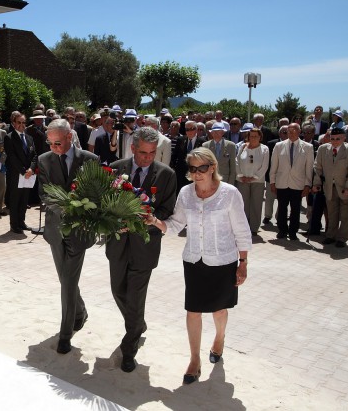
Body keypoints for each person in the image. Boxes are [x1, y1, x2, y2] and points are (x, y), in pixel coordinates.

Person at [147, 147, 251, 385]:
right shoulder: (185, 193)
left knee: (219, 310)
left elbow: (242, 230)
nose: (196, 174)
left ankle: (220, 338)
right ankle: (194, 359)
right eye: (192, 169)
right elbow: (175, 225)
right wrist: (155, 222)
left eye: (201, 168)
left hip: (223, 261)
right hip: (194, 260)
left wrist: (243, 263)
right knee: (193, 311)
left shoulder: (230, 193)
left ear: (212, 167)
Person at [106, 127, 177, 372]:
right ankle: (138, 324)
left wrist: (151, 218)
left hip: (145, 246)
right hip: (117, 244)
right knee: (117, 290)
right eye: (143, 152)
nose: (148, 158)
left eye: (152, 153)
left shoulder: (166, 175)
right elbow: (103, 204)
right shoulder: (115, 169)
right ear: (133, 148)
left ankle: (130, 347)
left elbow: (167, 210)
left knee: (136, 297)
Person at [38, 119, 98, 354]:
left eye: (59, 143)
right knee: (66, 280)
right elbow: (44, 193)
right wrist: (66, 208)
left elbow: (95, 191)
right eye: (51, 143)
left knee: (68, 281)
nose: (54, 147)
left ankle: (65, 333)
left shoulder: (89, 160)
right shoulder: (44, 160)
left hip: (80, 232)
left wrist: (80, 212)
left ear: (70, 136)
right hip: (55, 231)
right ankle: (80, 311)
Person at [313, 128, 348, 247]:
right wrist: (316, 183)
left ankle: (342, 238)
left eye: (338, 138)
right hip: (329, 186)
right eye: (332, 139)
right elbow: (317, 167)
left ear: (344, 138)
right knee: (332, 212)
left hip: (344, 187)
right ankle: (331, 235)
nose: (335, 141)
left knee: (345, 214)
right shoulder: (323, 149)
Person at [270, 123, 314, 241]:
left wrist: (307, 185)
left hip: (298, 184)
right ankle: (282, 230)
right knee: (282, 208)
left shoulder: (308, 147)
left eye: (294, 131)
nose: (291, 133)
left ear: (299, 132)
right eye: (289, 131)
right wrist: (272, 182)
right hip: (282, 183)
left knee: (295, 209)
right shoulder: (279, 146)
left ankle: (293, 231)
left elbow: (309, 168)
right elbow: (274, 166)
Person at [4, 112, 36, 233]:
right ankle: (14, 225)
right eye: (19, 122)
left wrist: (31, 169)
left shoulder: (29, 138)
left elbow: (35, 155)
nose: (21, 125)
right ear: (13, 123)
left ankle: (21, 222)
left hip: (28, 174)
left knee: (24, 200)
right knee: (15, 200)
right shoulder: (9, 137)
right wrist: (23, 171)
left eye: (23, 123)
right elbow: (12, 157)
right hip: (16, 174)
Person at [235, 128, 269, 235]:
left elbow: (264, 166)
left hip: (257, 181)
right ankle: (243, 227)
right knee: (243, 204)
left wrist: (254, 177)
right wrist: (241, 176)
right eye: (251, 136)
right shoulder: (242, 147)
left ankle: (254, 228)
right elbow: (237, 161)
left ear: (260, 137)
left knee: (256, 204)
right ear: (248, 137)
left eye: (256, 136)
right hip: (242, 180)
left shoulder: (264, 149)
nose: (253, 138)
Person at [263, 125, 289, 225]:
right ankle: (267, 216)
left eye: (287, 132)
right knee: (269, 198)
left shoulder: (292, 144)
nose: (285, 134)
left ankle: (279, 217)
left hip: (285, 177)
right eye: (283, 132)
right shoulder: (271, 144)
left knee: (282, 200)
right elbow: (268, 161)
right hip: (271, 176)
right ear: (279, 133)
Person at [173, 120, 205, 193]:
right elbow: (174, 156)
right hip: (181, 175)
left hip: (196, 174)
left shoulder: (202, 142)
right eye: (187, 129)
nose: (189, 131)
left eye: (192, 129)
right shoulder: (180, 140)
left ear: (196, 129)